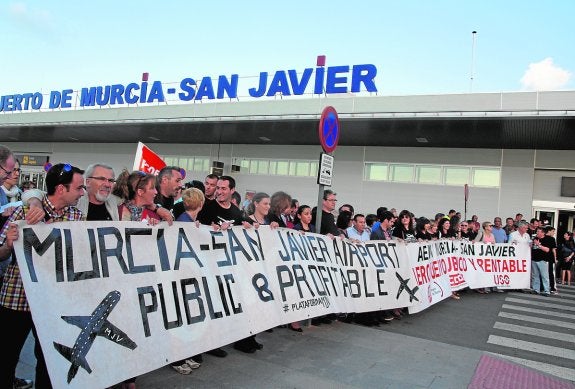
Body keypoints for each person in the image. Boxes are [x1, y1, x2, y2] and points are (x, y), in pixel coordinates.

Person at [0, 163, 85, 389]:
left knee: (48, 360)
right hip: (17, 298)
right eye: (78, 188)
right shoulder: (24, 211)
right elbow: (0, 253)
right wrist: (9, 244)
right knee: (6, 355)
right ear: (60, 189)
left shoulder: (77, 217)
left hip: (52, 304)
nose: (82, 192)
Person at [197, 176, 250, 355]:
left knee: (223, 303)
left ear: (232, 190)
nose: (219, 191)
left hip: (228, 266)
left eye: (223, 189)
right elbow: (196, 230)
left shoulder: (236, 212)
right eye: (217, 188)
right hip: (208, 264)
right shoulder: (207, 207)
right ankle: (210, 343)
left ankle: (220, 338)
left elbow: (244, 229)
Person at [531, 227, 551, 296]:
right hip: (534, 259)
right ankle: (536, 289)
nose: (537, 233)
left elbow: (547, 250)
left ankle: (547, 290)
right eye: (537, 231)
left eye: (539, 231)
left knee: (544, 276)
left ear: (543, 233)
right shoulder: (535, 238)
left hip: (542, 260)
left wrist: (538, 245)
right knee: (535, 275)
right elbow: (532, 247)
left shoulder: (547, 239)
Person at [544, 226, 558, 294]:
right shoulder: (552, 239)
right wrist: (555, 259)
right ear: (549, 231)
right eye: (553, 231)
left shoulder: (542, 237)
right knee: (551, 273)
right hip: (550, 258)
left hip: (543, 258)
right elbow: (553, 250)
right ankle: (552, 288)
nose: (554, 233)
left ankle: (544, 287)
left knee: (544, 273)